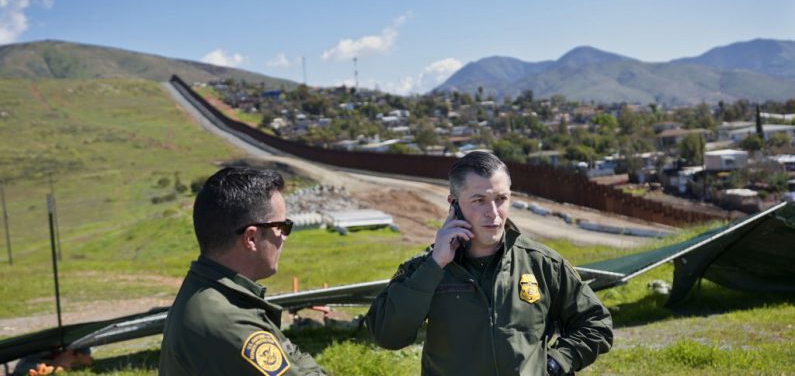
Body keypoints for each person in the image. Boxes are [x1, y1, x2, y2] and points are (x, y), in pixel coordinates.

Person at [366, 151, 613, 375]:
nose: (493, 212)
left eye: (501, 198)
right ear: (453, 204)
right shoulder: (425, 268)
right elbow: (387, 335)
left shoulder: (540, 263)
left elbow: (596, 323)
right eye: (479, 200)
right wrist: (434, 265)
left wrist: (557, 362)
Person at [159, 167, 325, 376]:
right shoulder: (228, 322)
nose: (284, 237)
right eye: (282, 227)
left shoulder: (208, 291)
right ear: (251, 239)